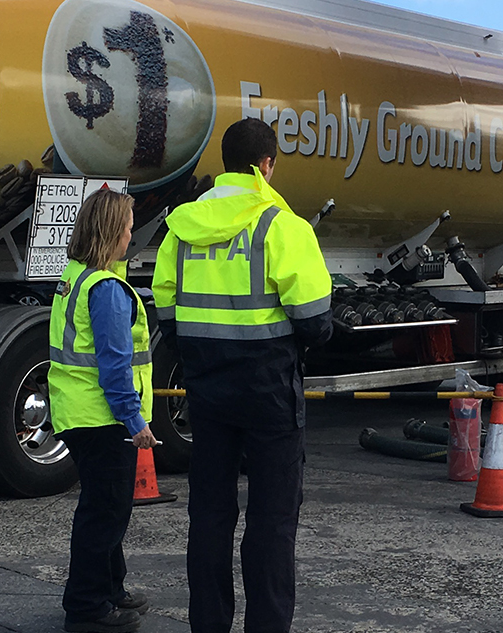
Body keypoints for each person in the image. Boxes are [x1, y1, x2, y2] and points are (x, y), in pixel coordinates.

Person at [152, 118, 333, 632]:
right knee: (272, 521)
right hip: (270, 392)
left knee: (209, 516)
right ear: (267, 165)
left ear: (225, 164)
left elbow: (168, 313)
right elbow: (316, 322)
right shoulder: (282, 226)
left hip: (206, 394)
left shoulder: (182, 228)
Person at [50, 189, 159, 633]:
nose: (132, 233)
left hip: (77, 412)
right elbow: (115, 368)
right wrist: (136, 423)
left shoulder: (76, 275)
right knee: (105, 513)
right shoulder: (108, 291)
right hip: (103, 419)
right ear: (114, 231)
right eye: (129, 226)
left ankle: (111, 589)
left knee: (105, 508)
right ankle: (87, 606)